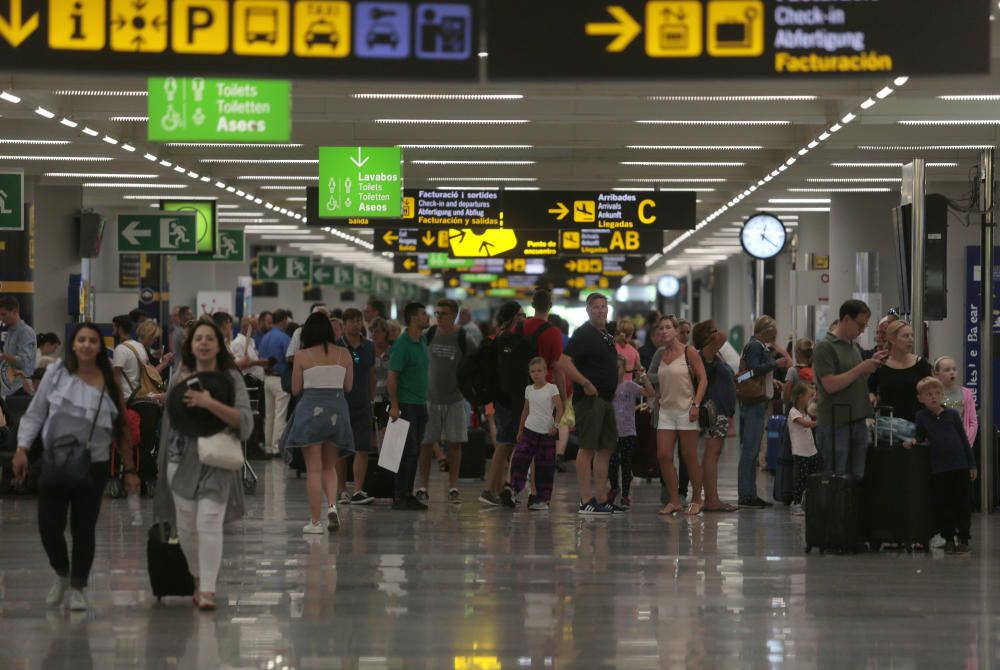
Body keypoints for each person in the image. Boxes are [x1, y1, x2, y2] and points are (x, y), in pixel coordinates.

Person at [12, 323, 135, 612]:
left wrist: (130, 470)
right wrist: (22, 449)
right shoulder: (57, 374)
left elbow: (122, 429)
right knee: (48, 525)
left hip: (94, 465)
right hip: (55, 460)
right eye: (81, 340)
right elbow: (35, 414)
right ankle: (61, 572)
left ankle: (79, 586)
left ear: (99, 347)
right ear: (73, 344)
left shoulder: (108, 380)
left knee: (83, 527)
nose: (87, 345)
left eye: (93, 340)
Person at [153, 318, 253, 612]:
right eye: (199, 339)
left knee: (209, 520)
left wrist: (210, 403)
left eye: (210, 338)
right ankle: (197, 578)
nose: (205, 343)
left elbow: (245, 423)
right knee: (186, 528)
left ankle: (207, 588)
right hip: (179, 460)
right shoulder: (179, 376)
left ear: (219, 344)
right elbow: (170, 424)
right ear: (191, 345)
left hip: (217, 460)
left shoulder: (231, 378)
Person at [283, 313, 355, 533]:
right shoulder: (344, 354)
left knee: (313, 470)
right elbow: (348, 387)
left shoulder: (302, 356)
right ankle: (332, 506)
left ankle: (315, 522)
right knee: (329, 467)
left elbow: (295, 389)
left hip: (311, 413)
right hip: (337, 412)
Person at [557, 293, 621, 515]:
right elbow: (564, 361)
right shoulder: (583, 333)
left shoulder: (605, 334)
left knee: (605, 448)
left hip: (605, 399)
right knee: (588, 448)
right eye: (596, 307)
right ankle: (586, 500)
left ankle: (602, 498)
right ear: (588, 310)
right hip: (590, 400)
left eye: (604, 307)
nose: (601, 311)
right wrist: (584, 382)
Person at [814, 300, 885, 477]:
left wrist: (870, 366)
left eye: (865, 325)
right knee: (836, 478)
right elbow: (830, 385)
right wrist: (861, 368)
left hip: (858, 419)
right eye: (860, 324)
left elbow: (854, 380)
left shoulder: (853, 347)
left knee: (856, 478)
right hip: (836, 422)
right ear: (846, 319)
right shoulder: (825, 347)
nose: (862, 329)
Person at [907, 377, 977, 554]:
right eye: (928, 394)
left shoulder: (952, 414)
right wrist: (913, 441)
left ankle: (963, 537)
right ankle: (948, 538)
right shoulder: (921, 417)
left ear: (942, 395)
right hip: (940, 468)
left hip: (960, 465)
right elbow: (920, 437)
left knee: (962, 503)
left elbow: (963, 440)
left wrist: (972, 464)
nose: (933, 397)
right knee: (944, 505)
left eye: (937, 393)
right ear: (920, 398)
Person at [416, 299, 474, 504]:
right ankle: (422, 486)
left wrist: (470, 391)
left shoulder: (464, 338)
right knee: (426, 443)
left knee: (455, 443)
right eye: (437, 312)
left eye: (443, 313)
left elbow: (474, 366)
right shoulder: (428, 335)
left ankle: (453, 486)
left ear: (454, 315)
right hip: (430, 398)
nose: (438, 316)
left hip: (455, 399)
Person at [649, 315, 708, 515]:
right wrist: (657, 395)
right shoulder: (662, 354)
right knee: (663, 455)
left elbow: (703, 379)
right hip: (666, 410)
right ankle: (674, 499)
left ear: (675, 331)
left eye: (668, 327)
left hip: (686, 410)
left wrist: (696, 404)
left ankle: (697, 498)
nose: (664, 331)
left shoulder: (688, 352)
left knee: (689, 455)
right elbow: (663, 380)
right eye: (661, 328)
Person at [736, 316, 792, 508]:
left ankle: (750, 492)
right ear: (766, 330)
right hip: (754, 404)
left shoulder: (757, 346)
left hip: (758, 402)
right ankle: (746, 494)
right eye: (773, 330)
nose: (775, 334)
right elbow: (751, 372)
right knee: (750, 450)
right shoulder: (756, 346)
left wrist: (771, 379)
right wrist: (775, 364)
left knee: (752, 449)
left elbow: (752, 372)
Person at [479, 301, 526, 507]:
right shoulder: (510, 340)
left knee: (506, 444)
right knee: (506, 442)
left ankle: (497, 488)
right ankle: (490, 489)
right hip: (510, 401)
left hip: (501, 400)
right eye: (522, 315)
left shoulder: (496, 339)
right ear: (514, 317)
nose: (524, 318)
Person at [520, 290, 569, 478]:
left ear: (532, 305)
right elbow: (557, 368)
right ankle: (535, 490)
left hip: (522, 387)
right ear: (550, 306)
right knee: (540, 441)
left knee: (522, 439)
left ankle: (512, 482)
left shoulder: (520, 327)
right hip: (544, 392)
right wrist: (562, 398)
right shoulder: (553, 332)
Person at [691, 320, 738, 512]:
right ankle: (711, 498)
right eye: (713, 331)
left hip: (722, 410)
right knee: (712, 453)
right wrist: (714, 333)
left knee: (714, 453)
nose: (718, 332)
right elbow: (723, 336)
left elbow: (734, 377)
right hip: (714, 410)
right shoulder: (705, 355)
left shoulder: (715, 355)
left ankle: (712, 497)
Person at [388, 302, 431, 511]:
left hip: (420, 404)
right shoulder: (402, 344)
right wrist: (394, 405)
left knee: (414, 450)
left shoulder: (422, 341)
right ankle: (399, 495)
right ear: (414, 318)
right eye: (424, 314)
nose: (427, 316)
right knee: (406, 451)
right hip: (405, 404)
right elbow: (392, 376)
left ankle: (408, 493)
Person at [510, 357, 563, 511]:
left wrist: (556, 425)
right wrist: (520, 430)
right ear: (529, 373)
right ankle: (514, 489)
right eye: (533, 371)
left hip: (546, 433)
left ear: (546, 372)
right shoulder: (529, 389)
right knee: (520, 459)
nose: (536, 374)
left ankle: (543, 498)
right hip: (529, 430)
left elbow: (560, 408)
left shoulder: (552, 388)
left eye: (540, 371)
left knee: (545, 466)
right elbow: (525, 410)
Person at [338, 308, 376, 506]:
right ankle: (342, 489)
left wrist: (372, 397)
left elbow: (371, 373)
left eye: (358, 320)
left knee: (362, 446)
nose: (355, 324)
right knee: (341, 448)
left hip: (362, 403)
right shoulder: (336, 347)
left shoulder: (369, 346)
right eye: (351, 321)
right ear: (343, 324)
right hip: (340, 403)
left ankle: (358, 490)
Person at [609, 355, 654, 510]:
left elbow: (650, 393)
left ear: (624, 369)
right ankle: (614, 487)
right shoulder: (607, 387)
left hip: (628, 431)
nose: (616, 371)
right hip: (612, 432)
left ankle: (626, 495)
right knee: (613, 463)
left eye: (619, 367)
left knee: (627, 464)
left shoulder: (630, 386)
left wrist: (643, 376)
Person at [868, 320, 933, 424]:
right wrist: (872, 396)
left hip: (916, 423)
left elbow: (931, 390)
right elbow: (870, 388)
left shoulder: (921, 364)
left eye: (912, 335)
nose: (911, 340)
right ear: (893, 339)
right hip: (889, 425)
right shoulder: (881, 364)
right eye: (905, 336)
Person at [258, 309, 292, 456]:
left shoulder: (265, 337)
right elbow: (289, 357)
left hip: (267, 378)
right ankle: (277, 446)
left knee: (269, 414)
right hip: (279, 379)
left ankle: (268, 446)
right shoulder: (284, 338)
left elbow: (260, 356)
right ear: (284, 320)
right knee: (280, 414)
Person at [787, 382, 821, 517]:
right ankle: (796, 503)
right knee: (800, 479)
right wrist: (820, 422)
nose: (809, 398)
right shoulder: (793, 413)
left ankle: (806, 502)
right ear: (800, 396)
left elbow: (813, 402)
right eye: (807, 396)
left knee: (810, 480)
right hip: (801, 452)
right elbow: (805, 424)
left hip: (811, 451)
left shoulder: (806, 412)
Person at [934, 356, 978, 447]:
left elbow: (973, 421)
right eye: (947, 370)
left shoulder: (966, 393)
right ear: (937, 374)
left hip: (961, 442)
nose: (952, 372)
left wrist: (967, 443)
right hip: (939, 443)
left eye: (954, 369)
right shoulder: (933, 395)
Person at [0, 295, 37, 398]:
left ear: (15, 311)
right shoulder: (11, 332)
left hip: (21, 390)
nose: (1, 319)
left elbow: (23, 362)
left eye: (4, 314)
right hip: (9, 389)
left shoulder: (26, 332)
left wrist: (4, 356)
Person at [370, 317, 393, 446]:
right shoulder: (368, 350)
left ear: (385, 333)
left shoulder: (393, 351)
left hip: (388, 398)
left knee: (386, 435)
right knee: (372, 439)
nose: (374, 335)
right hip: (372, 398)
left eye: (377, 331)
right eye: (372, 331)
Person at [782, 338, 815, 409]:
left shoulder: (792, 371)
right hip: (810, 409)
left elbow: (786, 396)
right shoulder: (815, 371)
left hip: (795, 409)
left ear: (798, 353)